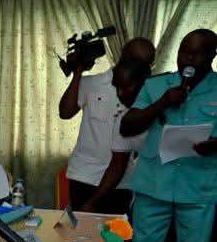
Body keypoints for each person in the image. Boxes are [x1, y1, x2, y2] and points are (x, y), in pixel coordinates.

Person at [117, 29, 217, 242]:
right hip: (154, 183)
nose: (187, 59)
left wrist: (213, 145)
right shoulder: (157, 85)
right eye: (184, 51)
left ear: (211, 56)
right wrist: (163, 102)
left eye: (196, 54)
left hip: (199, 186)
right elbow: (127, 126)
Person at [59, 37, 155, 214]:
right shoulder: (92, 83)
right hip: (85, 175)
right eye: (136, 61)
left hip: (122, 182)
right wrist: (78, 72)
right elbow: (65, 112)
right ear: (124, 55)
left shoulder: (149, 92)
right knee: (82, 229)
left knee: (116, 230)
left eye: (146, 64)